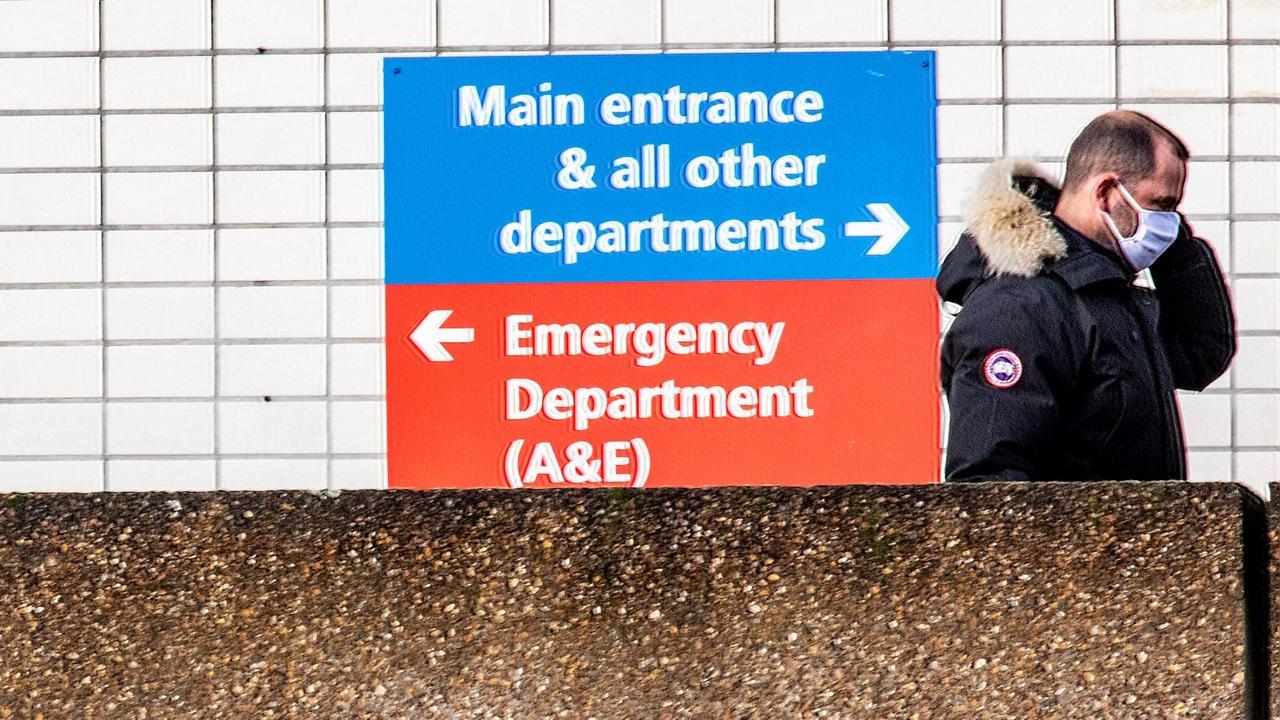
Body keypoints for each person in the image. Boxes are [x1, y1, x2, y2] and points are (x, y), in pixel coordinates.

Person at [937, 111, 1235, 481]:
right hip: (1080, 538)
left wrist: (1175, 252)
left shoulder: (1105, 296)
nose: (1168, 225)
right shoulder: (1020, 308)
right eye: (1160, 205)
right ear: (1105, 193)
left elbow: (1198, 355)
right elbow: (989, 480)